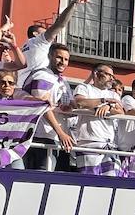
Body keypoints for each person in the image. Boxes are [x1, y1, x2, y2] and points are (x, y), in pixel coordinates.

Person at [20, 42, 76, 172]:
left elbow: (73, 105)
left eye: (66, 59)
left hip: (51, 136)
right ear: (50, 56)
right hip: (39, 135)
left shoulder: (62, 80)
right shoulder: (43, 75)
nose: (63, 62)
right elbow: (42, 106)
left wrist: (68, 108)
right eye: (59, 58)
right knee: (40, 177)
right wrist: (61, 133)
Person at [69, 65, 127, 176]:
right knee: (88, 182)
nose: (111, 78)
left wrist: (109, 106)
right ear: (96, 73)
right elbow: (80, 102)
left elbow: (121, 111)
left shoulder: (113, 94)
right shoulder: (84, 88)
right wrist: (103, 101)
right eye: (108, 75)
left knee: (111, 184)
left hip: (110, 145)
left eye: (112, 76)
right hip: (88, 144)